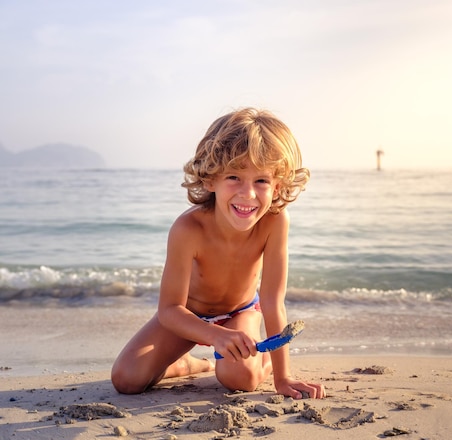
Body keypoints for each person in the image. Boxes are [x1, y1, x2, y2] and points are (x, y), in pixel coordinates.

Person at [111, 108, 325, 400]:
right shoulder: (188, 229)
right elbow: (169, 310)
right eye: (234, 177)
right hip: (189, 317)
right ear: (211, 179)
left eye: (261, 181)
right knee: (126, 379)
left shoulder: (275, 222)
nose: (248, 194)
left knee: (239, 378)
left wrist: (282, 377)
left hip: (241, 311)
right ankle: (184, 363)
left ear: (277, 186)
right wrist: (215, 336)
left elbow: (273, 301)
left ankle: (255, 359)